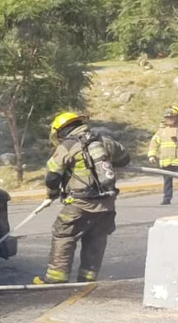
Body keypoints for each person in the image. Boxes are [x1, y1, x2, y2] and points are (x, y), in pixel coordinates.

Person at [35, 112, 129, 285]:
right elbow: (124, 159)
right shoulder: (103, 140)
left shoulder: (68, 145)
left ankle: (56, 279)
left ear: (59, 132)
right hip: (106, 204)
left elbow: (52, 176)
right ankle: (87, 280)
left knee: (64, 235)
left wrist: (51, 194)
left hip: (79, 203)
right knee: (96, 238)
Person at [148, 106, 178, 206]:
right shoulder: (162, 131)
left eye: (171, 117)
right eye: (167, 118)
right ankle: (166, 199)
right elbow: (154, 143)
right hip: (166, 162)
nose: (169, 120)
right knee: (167, 182)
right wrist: (152, 155)